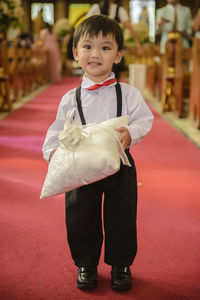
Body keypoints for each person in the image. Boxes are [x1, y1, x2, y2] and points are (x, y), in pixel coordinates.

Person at [42, 15, 154, 291]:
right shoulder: (70, 98)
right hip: (81, 166)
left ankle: (120, 264)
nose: (96, 54)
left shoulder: (128, 94)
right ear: (76, 54)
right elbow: (57, 129)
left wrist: (132, 133)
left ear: (118, 55)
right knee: (80, 214)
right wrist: (53, 151)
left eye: (105, 47)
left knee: (122, 214)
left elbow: (144, 119)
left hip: (119, 162)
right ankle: (86, 264)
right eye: (88, 46)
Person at [86, 0, 143, 80]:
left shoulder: (98, 8)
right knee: (110, 71)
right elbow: (129, 27)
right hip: (110, 46)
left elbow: (86, 26)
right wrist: (138, 44)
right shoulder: (98, 8)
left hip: (103, 46)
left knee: (104, 70)